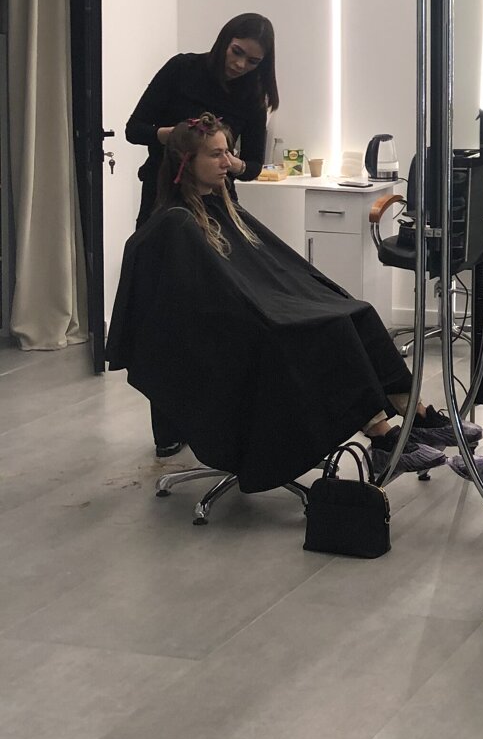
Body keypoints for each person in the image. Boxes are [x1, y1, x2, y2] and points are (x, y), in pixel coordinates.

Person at [108, 116, 457, 480]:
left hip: (258, 314)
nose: (228, 162)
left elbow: (267, 272)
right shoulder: (177, 223)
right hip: (233, 336)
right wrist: (276, 310)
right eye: (215, 155)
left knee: (357, 313)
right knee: (330, 331)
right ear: (186, 162)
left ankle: (415, 415)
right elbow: (208, 305)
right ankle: (383, 438)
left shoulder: (219, 208)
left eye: (228, 152)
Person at [126, 15, 278, 227]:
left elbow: (253, 167)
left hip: (216, 199)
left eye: (253, 62)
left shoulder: (253, 97)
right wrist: (173, 136)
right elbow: (134, 130)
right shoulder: (181, 69)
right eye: (237, 52)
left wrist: (232, 162)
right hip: (162, 193)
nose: (240, 64)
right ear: (224, 41)